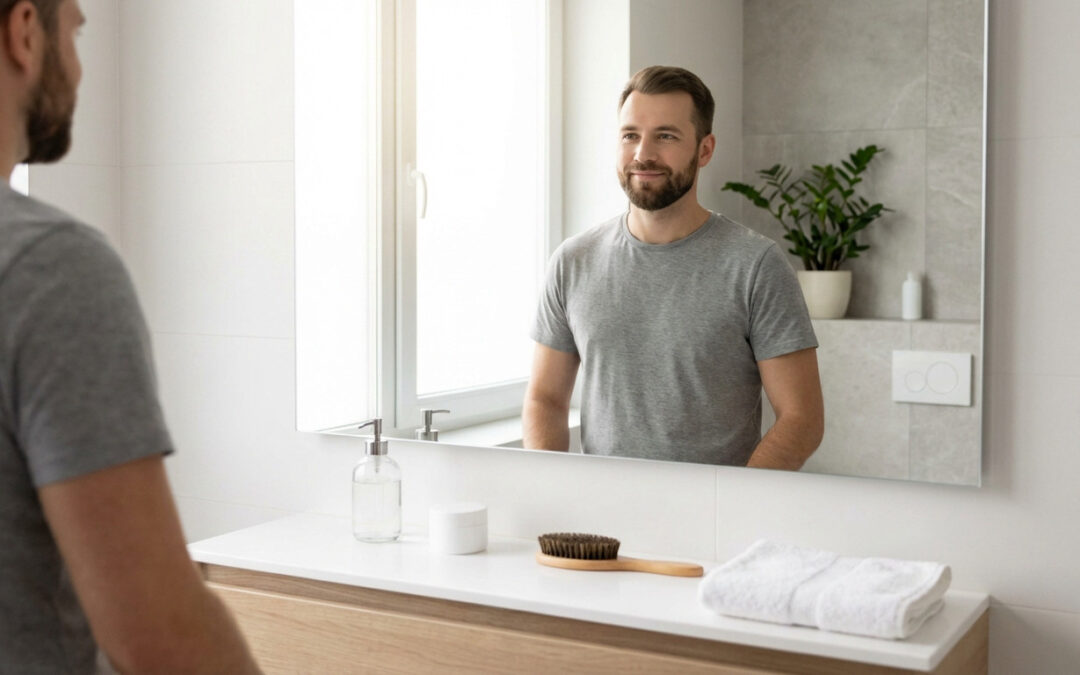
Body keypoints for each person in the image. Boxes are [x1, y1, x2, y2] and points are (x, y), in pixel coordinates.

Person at [0, 1, 260, 671]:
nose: (79, 67)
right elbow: (162, 636)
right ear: (25, 32)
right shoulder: (49, 268)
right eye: (74, 31)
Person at [523, 66, 824, 469]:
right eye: (630, 135)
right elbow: (545, 398)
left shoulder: (755, 266)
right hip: (599, 506)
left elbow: (802, 419)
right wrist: (548, 487)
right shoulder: (573, 261)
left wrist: (734, 498)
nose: (642, 154)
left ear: (705, 150)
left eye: (665, 136)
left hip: (715, 507)